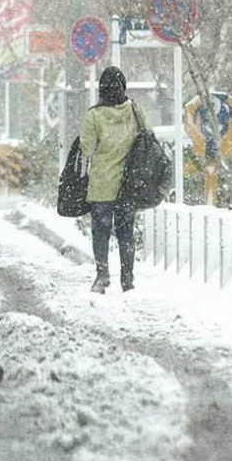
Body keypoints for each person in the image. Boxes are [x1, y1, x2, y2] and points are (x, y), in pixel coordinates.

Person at [79, 66, 146, 293]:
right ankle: (127, 279)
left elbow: (86, 149)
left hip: (101, 185)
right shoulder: (134, 111)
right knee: (126, 232)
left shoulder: (94, 116)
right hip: (128, 185)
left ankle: (102, 273)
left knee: (101, 231)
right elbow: (148, 137)